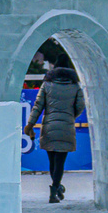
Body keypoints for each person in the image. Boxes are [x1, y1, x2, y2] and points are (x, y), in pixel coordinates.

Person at [25, 53, 87, 204]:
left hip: (50, 126)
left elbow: (38, 106)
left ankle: (56, 189)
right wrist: (71, 115)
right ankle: (55, 189)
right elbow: (80, 105)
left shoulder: (47, 85)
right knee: (60, 161)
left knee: (52, 160)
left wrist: (30, 124)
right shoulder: (75, 86)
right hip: (66, 126)